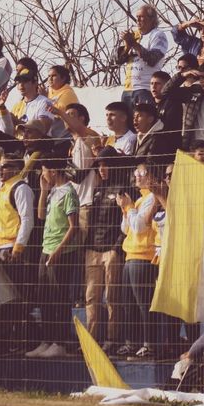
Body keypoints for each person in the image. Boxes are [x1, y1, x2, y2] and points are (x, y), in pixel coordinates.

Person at [25, 157, 82, 359]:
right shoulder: (53, 192)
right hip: (46, 248)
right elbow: (41, 215)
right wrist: (43, 191)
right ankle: (47, 340)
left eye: (45, 171)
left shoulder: (69, 192)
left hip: (61, 251)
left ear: (54, 170)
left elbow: (74, 227)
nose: (43, 175)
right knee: (45, 296)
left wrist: (58, 250)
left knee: (58, 296)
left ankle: (60, 341)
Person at [83, 147, 131, 350]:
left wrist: (116, 248)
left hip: (113, 250)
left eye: (105, 164)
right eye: (99, 165)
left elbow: (127, 219)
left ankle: (113, 339)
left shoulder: (125, 189)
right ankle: (92, 341)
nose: (102, 169)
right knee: (91, 297)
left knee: (113, 296)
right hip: (93, 249)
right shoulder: (97, 191)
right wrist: (87, 247)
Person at [116, 163, 162, 360]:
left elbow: (140, 227)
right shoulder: (139, 200)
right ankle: (131, 342)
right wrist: (126, 208)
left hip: (143, 256)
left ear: (151, 176)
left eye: (141, 173)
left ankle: (148, 343)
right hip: (130, 255)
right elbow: (126, 229)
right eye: (136, 173)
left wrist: (128, 207)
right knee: (129, 303)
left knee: (144, 303)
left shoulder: (153, 198)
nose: (137, 176)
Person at [115, 4, 169, 108]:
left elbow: (153, 59)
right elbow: (118, 61)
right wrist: (127, 47)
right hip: (128, 89)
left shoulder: (157, 35)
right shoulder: (134, 35)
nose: (138, 20)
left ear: (152, 19)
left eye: (141, 17)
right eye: (137, 17)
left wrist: (134, 44)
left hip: (145, 89)